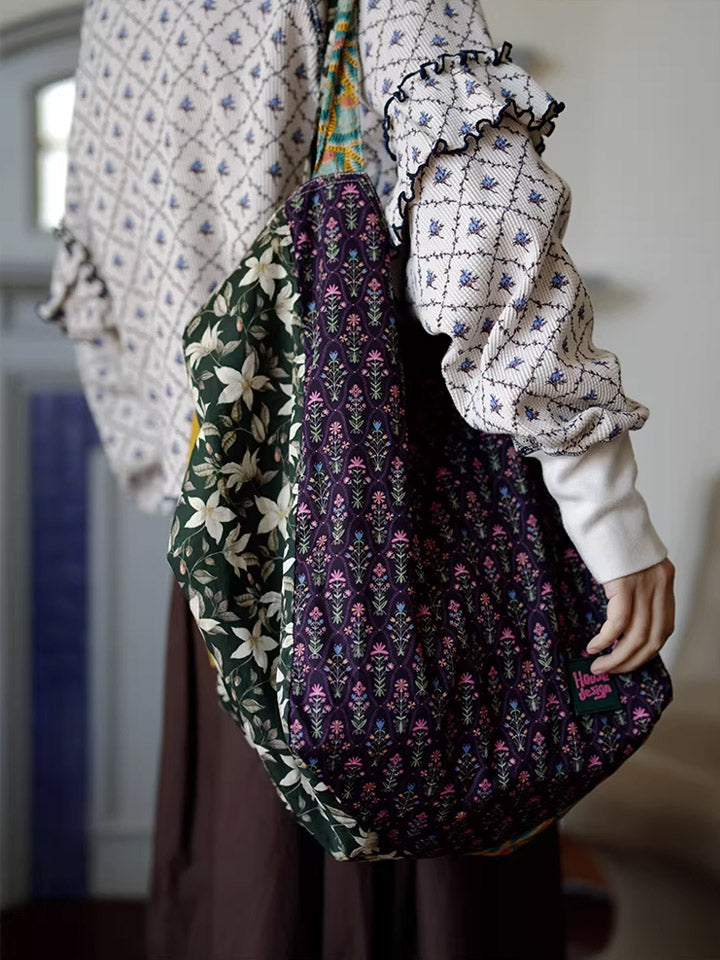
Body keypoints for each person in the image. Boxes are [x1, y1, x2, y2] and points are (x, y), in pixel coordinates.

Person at [37, 1, 675, 957]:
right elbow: (477, 218)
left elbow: (99, 293)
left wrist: (189, 489)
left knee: (251, 899)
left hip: (226, 579)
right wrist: (607, 509)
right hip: (407, 551)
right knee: (437, 898)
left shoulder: (117, 15)